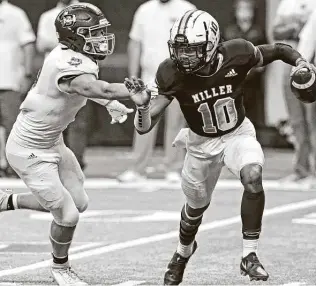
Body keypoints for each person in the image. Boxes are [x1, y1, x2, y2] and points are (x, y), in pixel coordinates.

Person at [125, 9, 312, 285]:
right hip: (200, 145)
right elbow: (144, 126)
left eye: (192, 50)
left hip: (237, 133)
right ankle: (182, 253)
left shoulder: (238, 52)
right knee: (194, 209)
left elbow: (280, 50)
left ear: (211, 45)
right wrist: (141, 106)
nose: (184, 56)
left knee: (253, 176)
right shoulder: (171, 72)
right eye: (180, 50)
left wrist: (301, 63)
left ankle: (249, 255)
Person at [0, 3, 133, 286]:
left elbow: (87, 87)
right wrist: (136, 90)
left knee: (79, 202)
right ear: (74, 36)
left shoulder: (79, 57)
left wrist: (110, 103)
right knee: (67, 213)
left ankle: (7, 200)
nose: (101, 38)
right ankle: (61, 268)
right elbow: (91, 87)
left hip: (53, 141)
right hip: (29, 149)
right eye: (93, 33)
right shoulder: (67, 62)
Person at [117, 0, 196, 183]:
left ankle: (174, 169)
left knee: (176, 123)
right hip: (149, 77)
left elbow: (196, 44)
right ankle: (138, 169)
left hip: (179, 76)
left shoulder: (187, 10)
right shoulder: (144, 10)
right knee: (144, 122)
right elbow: (135, 43)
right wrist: (133, 75)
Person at [37, 0, 89, 170]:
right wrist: (71, 42)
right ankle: (51, 162)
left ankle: (76, 163)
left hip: (79, 72)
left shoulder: (86, 12)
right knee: (52, 120)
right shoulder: (47, 16)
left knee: (78, 121)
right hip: (53, 75)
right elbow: (41, 44)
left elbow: (90, 43)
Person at [272, 0, 316, 182]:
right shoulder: (287, 3)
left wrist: (292, 27)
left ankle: (314, 172)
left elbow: (308, 35)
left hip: (311, 61)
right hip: (291, 61)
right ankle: (301, 169)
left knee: (312, 120)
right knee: (296, 120)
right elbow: (276, 31)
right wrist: (296, 26)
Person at [0, 0, 36, 177]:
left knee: (11, 126)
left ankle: (13, 166)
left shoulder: (15, 13)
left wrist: (27, 74)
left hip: (9, 79)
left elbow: (28, 45)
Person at [224, 0, 267, 128]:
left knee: (252, 114)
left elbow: (266, 54)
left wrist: (257, 68)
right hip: (233, 81)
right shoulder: (229, 32)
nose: (244, 13)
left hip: (253, 82)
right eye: (241, 9)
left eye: (248, 9)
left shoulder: (258, 32)